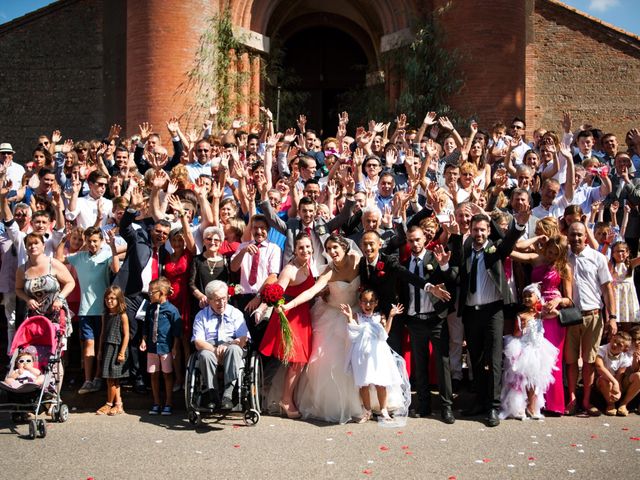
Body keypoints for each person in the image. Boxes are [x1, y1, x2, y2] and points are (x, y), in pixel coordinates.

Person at [453, 210, 528, 427]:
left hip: (493, 311)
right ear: (470, 230)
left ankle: (493, 407)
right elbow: (457, 262)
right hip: (470, 312)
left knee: (494, 360)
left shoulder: (496, 249)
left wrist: (519, 225)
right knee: (475, 359)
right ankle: (480, 401)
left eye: (482, 230)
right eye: (475, 230)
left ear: (488, 232)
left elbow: (509, 240)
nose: (478, 233)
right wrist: (456, 235)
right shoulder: (466, 248)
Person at [280, 235, 364, 424]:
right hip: (332, 315)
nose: (332, 252)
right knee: (331, 361)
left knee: (359, 359)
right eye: (328, 249)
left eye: (335, 248)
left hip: (356, 314)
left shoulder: (357, 260)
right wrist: (289, 305)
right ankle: (340, 405)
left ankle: (365, 402)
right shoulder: (328, 271)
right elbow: (310, 292)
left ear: (345, 247)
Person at [510, 234, 573, 415]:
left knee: (552, 360)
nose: (552, 256)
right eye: (551, 251)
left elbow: (570, 299)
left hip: (552, 315)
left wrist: (559, 301)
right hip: (534, 312)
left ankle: (553, 404)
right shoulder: (536, 259)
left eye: (556, 254)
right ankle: (533, 403)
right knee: (532, 358)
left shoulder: (565, 268)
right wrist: (535, 238)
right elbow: (510, 251)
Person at [400, 226, 457, 423]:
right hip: (415, 320)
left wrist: (444, 267)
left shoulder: (435, 258)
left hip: (435, 319)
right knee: (420, 364)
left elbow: (451, 279)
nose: (414, 244)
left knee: (443, 363)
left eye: (417, 240)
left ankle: (446, 407)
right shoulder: (405, 263)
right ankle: (423, 405)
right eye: (410, 240)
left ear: (425, 239)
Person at [259, 233, 314, 419]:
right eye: (301, 248)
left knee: (299, 360)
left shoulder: (309, 264)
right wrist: (266, 306)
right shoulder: (289, 270)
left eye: (308, 247)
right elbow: (277, 293)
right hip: (289, 316)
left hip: (303, 316)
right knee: (296, 360)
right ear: (295, 250)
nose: (305, 250)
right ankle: (285, 400)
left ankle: (286, 398)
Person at [59, 227, 119, 395]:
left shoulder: (106, 254)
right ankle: (87, 379)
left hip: (103, 310)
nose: (92, 244)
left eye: (95, 241)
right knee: (89, 344)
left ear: (100, 241)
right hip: (85, 310)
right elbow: (58, 259)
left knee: (100, 346)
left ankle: (98, 378)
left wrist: (113, 248)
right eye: (89, 241)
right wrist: (64, 238)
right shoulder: (80, 257)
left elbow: (115, 269)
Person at [565, 222, 617, 416]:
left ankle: (586, 401)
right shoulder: (564, 257)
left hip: (593, 316)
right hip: (571, 317)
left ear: (585, 236)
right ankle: (572, 398)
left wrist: (612, 317)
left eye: (579, 235)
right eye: (572, 235)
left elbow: (607, 289)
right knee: (570, 361)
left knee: (589, 361)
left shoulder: (598, 258)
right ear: (567, 236)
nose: (576, 238)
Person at [340, 291, 407, 423]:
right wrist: (349, 318)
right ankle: (367, 411)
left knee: (381, 384)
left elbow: (385, 334)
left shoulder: (379, 316)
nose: (368, 304)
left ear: (376, 303)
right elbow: (353, 334)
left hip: (378, 355)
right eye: (365, 301)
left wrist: (391, 316)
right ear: (360, 303)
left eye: (371, 301)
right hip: (361, 355)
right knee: (363, 384)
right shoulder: (357, 316)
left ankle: (383, 410)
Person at [500, 283, 559, 420]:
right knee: (520, 380)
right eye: (524, 296)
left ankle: (532, 407)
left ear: (537, 298)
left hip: (537, 350)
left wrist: (546, 307)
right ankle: (518, 407)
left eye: (529, 296)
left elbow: (555, 314)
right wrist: (522, 328)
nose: (526, 298)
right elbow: (515, 333)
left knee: (534, 381)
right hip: (523, 348)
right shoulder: (520, 315)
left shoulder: (540, 315)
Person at [191, 280, 250, 411]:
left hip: (232, 346)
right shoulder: (201, 316)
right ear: (209, 300)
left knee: (234, 349)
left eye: (224, 298)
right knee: (205, 355)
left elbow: (243, 338)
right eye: (217, 300)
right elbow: (198, 341)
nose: (221, 303)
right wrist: (215, 350)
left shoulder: (236, 313)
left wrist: (229, 345)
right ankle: (213, 395)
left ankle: (227, 395)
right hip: (210, 347)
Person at [139, 277, 181, 416]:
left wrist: (174, 346)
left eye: (152, 292)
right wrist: (144, 340)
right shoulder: (150, 308)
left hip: (165, 347)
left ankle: (168, 403)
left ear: (162, 293)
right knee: (154, 375)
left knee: (167, 375)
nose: (150, 294)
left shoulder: (172, 310)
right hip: (151, 347)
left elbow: (176, 331)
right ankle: (156, 402)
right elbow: (145, 325)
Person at [96, 286, 130, 416]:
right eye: (107, 299)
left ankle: (109, 403)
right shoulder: (105, 315)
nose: (109, 301)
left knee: (113, 378)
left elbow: (126, 335)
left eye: (112, 298)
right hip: (107, 347)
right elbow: (102, 333)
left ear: (119, 299)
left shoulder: (123, 315)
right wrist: (99, 350)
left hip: (118, 348)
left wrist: (122, 353)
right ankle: (118, 405)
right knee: (111, 379)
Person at [595, 331, 633, 416]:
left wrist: (618, 390)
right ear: (611, 338)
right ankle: (610, 404)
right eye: (614, 340)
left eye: (619, 345)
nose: (615, 344)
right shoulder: (602, 349)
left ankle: (622, 404)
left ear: (625, 349)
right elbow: (599, 367)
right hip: (602, 382)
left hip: (614, 383)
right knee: (604, 379)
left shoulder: (624, 357)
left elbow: (620, 375)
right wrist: (614, 382)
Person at [609, 241, 640, 324]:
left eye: (622, 251)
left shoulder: (630, 264)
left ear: (627, 253)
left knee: (627, 322)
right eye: (617, 251)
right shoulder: (611, 265)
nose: (620, 254)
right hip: (616, 297)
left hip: (627, 297)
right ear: (612, 254)